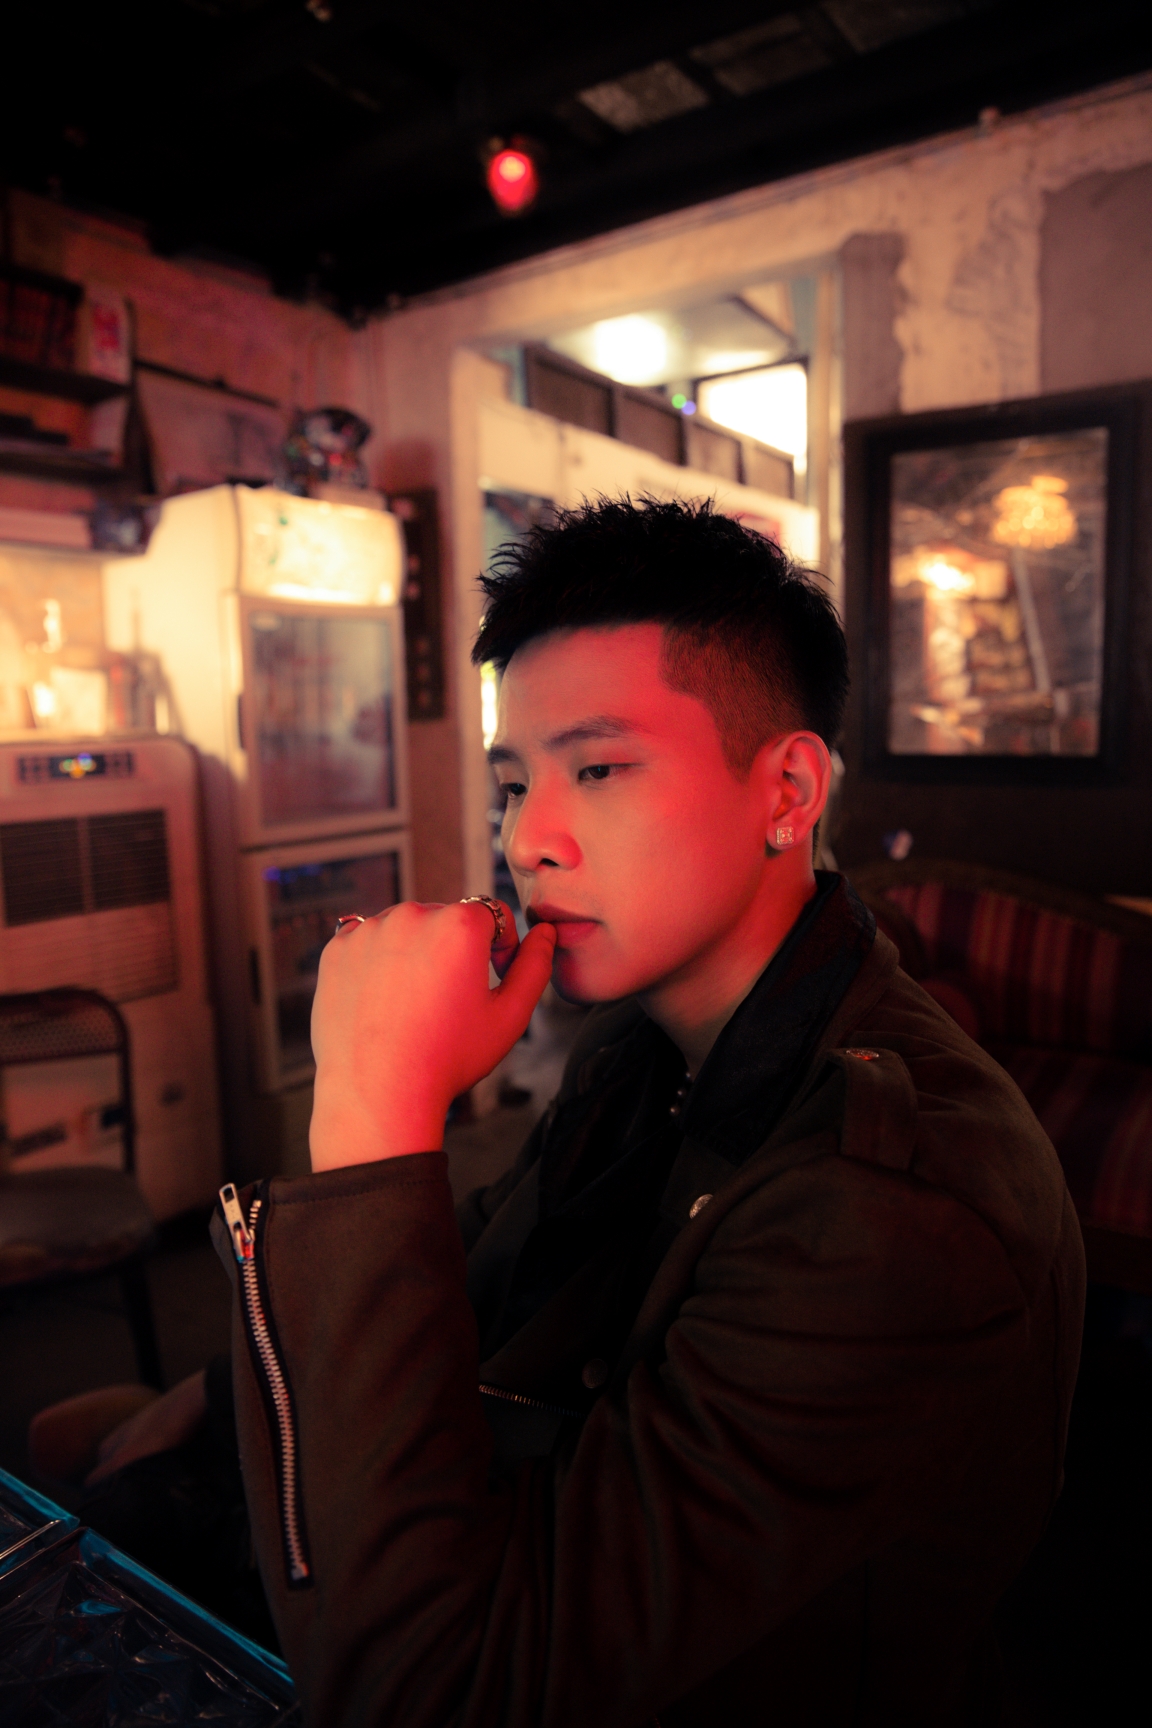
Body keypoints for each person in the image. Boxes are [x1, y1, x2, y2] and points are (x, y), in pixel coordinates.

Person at [39, 497, 1084, 1724]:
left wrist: (375, 1112)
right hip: (507, 1488)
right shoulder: (642, 1042)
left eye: (597, 769)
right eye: (512, 781)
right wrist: (222, 1396)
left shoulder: (889, 1207)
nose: (526, 838)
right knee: (83, 1460)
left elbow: (437, 1698)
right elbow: (493, 1250)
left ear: (788, 789)